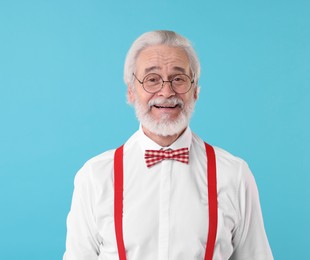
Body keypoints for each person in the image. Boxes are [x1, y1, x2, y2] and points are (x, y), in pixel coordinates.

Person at [63, 30, 273, 260]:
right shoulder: (95, 176)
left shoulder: (234, 174)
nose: (166, 92)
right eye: (152, 79)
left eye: (178, 79)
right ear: (132, 91)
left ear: (195, 91)